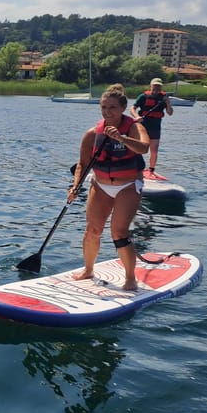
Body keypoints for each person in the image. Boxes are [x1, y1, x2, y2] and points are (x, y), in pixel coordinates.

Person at [68, 84, 150, 291]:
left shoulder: (134, 127)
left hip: (128, 185)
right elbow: (82, 164)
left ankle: (130, 278)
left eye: (112, 107)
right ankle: (88, 270)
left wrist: (121, 138)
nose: (107, 112)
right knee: (92, 229)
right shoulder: (92, 134)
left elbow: (144, 148)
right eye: (104, 107)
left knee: (119, 233)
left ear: (122, 108)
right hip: (101, 184)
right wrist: (75, 186)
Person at [129, 77, 173, 174]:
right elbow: (132, 108)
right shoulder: (143, 97)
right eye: (154, 87)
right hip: (142, 126)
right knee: (138, 147)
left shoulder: (164, 99)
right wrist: (136, 116)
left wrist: (168, 103)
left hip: (155, 127)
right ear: (151, 86)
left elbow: (170, 113)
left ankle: (151, 170)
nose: (156, 89)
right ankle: (134, 167)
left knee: (154, 150)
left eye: (158, 87)